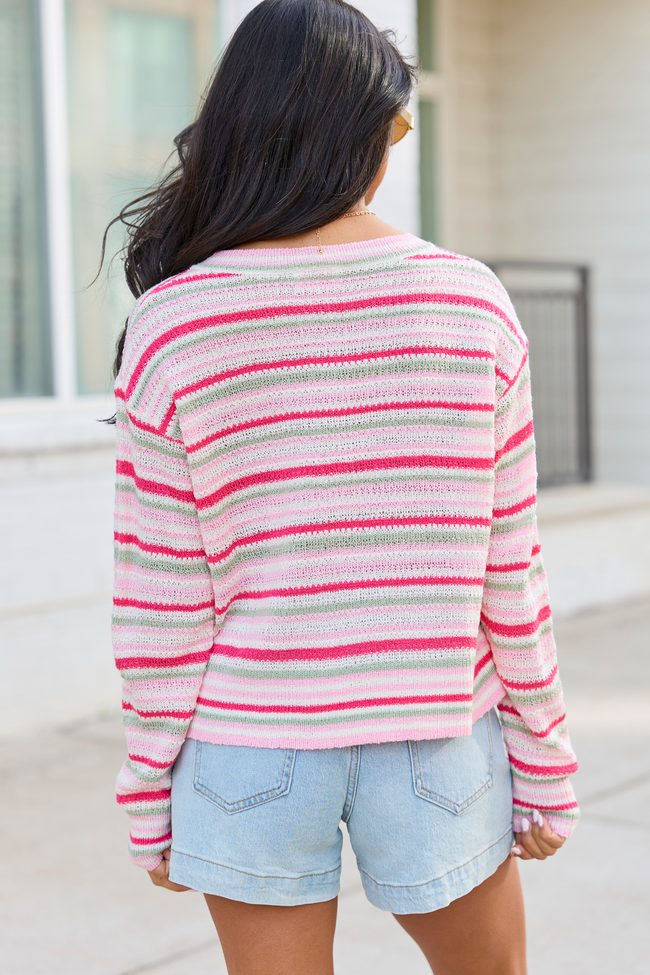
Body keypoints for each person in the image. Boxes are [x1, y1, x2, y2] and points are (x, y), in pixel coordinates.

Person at [108, 2, 579, 972]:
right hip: (435, 735)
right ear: (368, 130)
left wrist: (150, 784)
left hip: (247, 745)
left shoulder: (174, 322)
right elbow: (509, 574)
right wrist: (542, 758)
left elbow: (162, 603)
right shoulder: (469, 302)